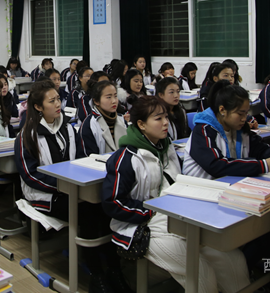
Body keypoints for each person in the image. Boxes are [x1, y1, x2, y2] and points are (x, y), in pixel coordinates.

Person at [102, 96, 251, 293]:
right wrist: (151, 211)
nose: (166, 122)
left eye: (166, 117)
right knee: (200, 272)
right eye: (158, 118)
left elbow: (177, 182)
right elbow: (112, 202)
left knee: (232, 261)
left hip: (178, 218)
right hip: (145, 226)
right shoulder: (126, 158)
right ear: (141, 124)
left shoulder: (167, 147)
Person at [15, 80, 129, 293]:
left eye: (58, 99)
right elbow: (30, 176)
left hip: (72, 189)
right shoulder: (27, 135)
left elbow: (81, 159)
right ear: (38, 107)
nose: (58, 104)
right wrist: (63, 185)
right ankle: (96, 275)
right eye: (51, 101)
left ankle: (114, 270)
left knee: (106, 207)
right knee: (86, 212)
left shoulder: (68, 128)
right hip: (44, 194)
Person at [183, 83, 270, 179]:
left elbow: (259, 148)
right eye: (240, 114)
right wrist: (263, 165)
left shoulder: (240, 129)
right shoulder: (203, 130)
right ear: (222, 110)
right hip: (200, 186)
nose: (244, 119)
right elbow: (216, 165)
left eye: (246, 113)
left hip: (229, 184)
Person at [79, 80, 127, 155]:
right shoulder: (89, 124)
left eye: (115, 96)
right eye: (109, 97)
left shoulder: (122, 120)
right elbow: (89, 157)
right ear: (96, 101)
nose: (114, 101)